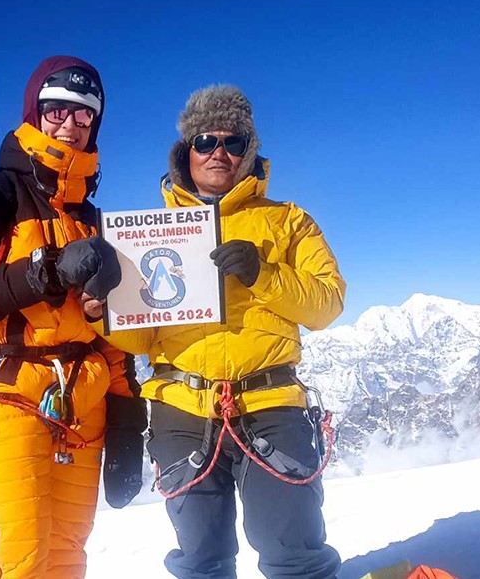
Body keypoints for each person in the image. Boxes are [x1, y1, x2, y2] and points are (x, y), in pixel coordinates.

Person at [82, 85, 346, 579]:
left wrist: (263, 273)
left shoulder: (288, 222)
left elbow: (326, 304)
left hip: (270, 405)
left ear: (250, 151)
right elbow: (144, 340)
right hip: (180, 411)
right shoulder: (152, 231)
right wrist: (103, 315)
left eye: (233, 142)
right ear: (186, 151)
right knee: (201, 561)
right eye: (206, 141)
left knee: (296, 556)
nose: (218, 152)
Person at [0, 56, 145, 579]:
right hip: (9, 395)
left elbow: (112, 336)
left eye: (84, 114)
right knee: (21, 560)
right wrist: (46, 272)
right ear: (35, 112)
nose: (69, 124)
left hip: (84, 401)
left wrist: (126, 422)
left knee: (69, 555)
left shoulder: (92, 219)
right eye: (57, 110)